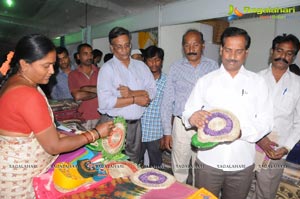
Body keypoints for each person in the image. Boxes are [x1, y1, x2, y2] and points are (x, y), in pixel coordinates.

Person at [0, 34, 114, 198]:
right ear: (24, 64)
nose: (52, 71)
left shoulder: (16, 83)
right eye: (46, 66)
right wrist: (95, 133)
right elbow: (54, 147)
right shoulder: (27, 94)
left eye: (53, 65)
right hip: (20, 181)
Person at [182, 27, 273, 198]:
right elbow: (188, 112)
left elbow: (267, 121)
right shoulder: (206, 81)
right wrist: (193, 117)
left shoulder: (258, 83)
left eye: (238, 51)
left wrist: (240, 133)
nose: (232, 56)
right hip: (208, 162)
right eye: (228, 50)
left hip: (242, 163)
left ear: (246, 53)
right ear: (221, 50)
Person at [160, 29, 218, 184]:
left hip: (205, 125)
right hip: (181, 126)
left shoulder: (213, 67)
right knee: (179, 169)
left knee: (202, 169)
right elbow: (167, 101)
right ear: (183, 47)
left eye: (195, 44)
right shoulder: (175, 67)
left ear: (203, 46)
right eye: (187, 45)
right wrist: (167, 132)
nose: (191, 49)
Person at [97, 27, 156, 163]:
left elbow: (152, 91)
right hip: (113, 124)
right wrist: (135, 99)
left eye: (127, 45)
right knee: (112, 162)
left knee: (133, 162)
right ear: (111, 48)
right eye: (119, 47)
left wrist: (132, 93)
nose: (124, 50)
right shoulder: (107, 69)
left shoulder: (141, 66)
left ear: (130, 44)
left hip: (135, 125)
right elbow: (106, 102)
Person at [251, 34, 300, 199]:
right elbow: (247, 113)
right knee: (239, 188)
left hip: (276, 150)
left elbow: (299, 122)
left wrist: (286, 147)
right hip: (250, 144)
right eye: (280, 51)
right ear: (272, 52)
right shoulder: (255, 79)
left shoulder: (298, 84)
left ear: (293, 57)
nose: (283, 56)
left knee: (266, 193)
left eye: (289, 53)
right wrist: (259, 139)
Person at [140, 45, 167, 168]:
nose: (153, 63)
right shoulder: (139, 80)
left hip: (156, 132)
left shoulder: (167, 81)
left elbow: (169, 109)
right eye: (150, 60)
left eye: (157, 60)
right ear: (145, 61)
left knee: (156, 166)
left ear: (161, 61)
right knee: (135, 164)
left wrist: (166, 134)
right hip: (138, 131)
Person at [68, 43, 100, 129]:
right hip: (83, 119)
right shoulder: (73, 74)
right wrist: (100, 91)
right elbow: (78, 96)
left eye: (91, 53)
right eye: (85, 54)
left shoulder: (101, 72)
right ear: (78, 56)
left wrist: (84, 89)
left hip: (101, 117)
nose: (89, 56)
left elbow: (109, 90)